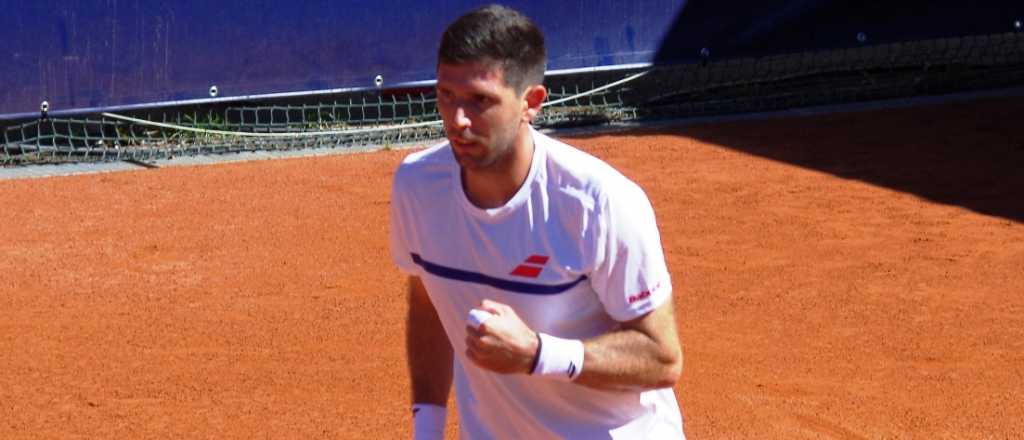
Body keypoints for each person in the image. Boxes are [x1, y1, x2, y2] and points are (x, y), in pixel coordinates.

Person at [389, 4, 685, 439]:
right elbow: (429, 302)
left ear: (531, 103)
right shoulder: (417, 186)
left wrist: (537, 353)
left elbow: (662, 357)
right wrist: (427, 428)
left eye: (480, 100)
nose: (458, 121)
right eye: (446, 96)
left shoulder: (598, 202)